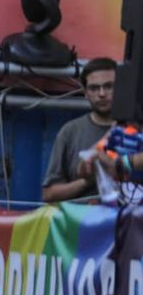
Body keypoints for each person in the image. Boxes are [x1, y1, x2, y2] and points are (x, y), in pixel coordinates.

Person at [43, 57, 116, 202]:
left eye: (109, 86)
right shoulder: (70, 132)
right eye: (94, 88)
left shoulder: (135, 129)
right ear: (85, 92)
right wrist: (87, 181)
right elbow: (49, 194)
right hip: (81, 216)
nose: (102, 94)